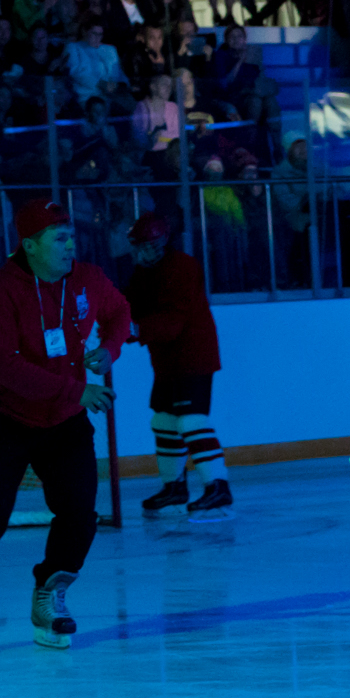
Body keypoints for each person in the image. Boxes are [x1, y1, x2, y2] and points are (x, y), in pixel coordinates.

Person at [0, 200, 131, 656]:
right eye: (59, 237)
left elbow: (120, 312)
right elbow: (7, 367)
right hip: (7, 417)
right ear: (30, 246)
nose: (71, 244)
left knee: (80, 513)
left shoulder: (88, 280)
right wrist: (77, 390)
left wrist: (109, 349)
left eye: (71, 235)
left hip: (64, 421)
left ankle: (49, 593)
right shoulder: (2, 290)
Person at [122, 215, 232, 518]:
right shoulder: (145, 271)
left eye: (147, 244)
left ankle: (218, 487)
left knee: (191, 421)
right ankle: (174, 486)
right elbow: (131, 303)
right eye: (139, 245)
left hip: (193, 356)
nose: (142, 250)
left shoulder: (182, 267)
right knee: (164, 420)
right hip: (167, 360)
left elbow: (173, 320)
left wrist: (134, 330)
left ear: (161, 242)